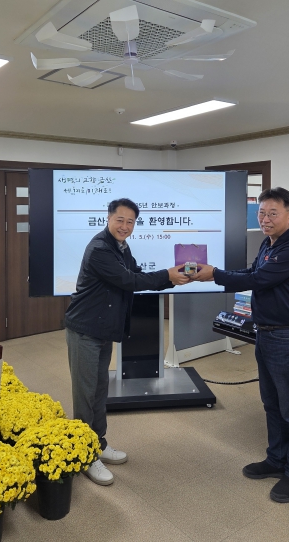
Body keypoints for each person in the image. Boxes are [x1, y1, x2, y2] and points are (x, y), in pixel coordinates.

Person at [192, 187, 289, 503]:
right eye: (261, 213)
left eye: (272, 213)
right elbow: (252, 272)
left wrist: (214, 274)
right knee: (272, 403)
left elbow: (257, 280)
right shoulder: (269, 243)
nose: (265, 219)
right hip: (267, 334)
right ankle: (276, 459)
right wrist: (216, 274)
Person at [65, 198, 191, 486]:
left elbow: (136, 275)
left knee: (99, 391)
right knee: (85, 396)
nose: (125, 226)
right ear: (108, 218)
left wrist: (172, 278)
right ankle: (85, 456)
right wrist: (167, 275)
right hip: (84, 331)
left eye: (130, 222)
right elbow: (128, 281)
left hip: (102, 330)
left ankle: (98, 444)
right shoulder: (99, 249)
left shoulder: (121, 246)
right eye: (120, 220)